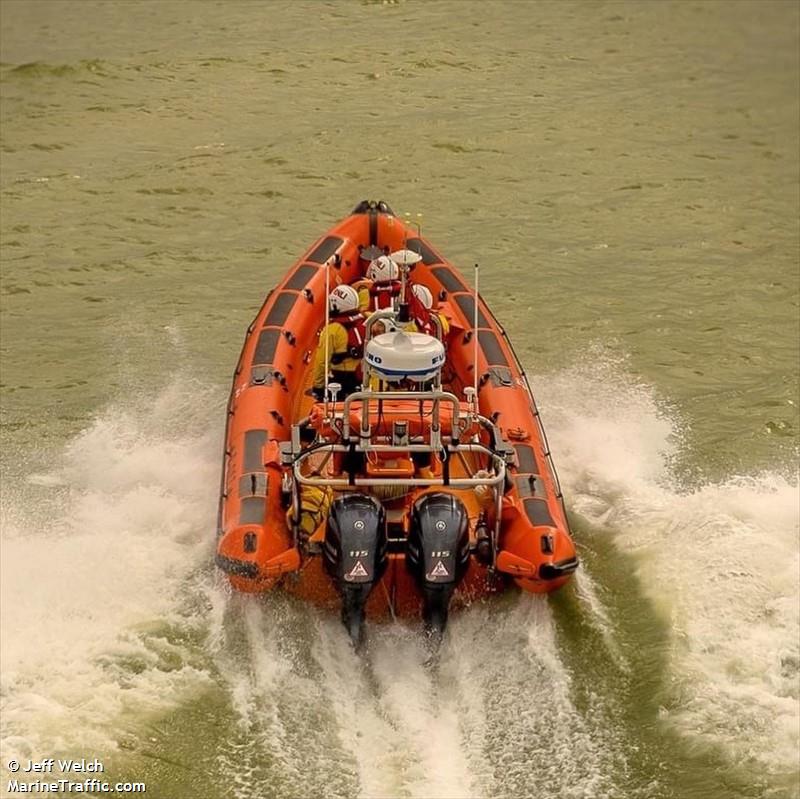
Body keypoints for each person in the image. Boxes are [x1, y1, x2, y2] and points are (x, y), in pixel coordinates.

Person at [311, 285, 366, 400]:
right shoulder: (367, 321)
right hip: (365, 377)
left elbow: (322, 361)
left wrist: (318, 387)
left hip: (343, 380)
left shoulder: (332, 330)